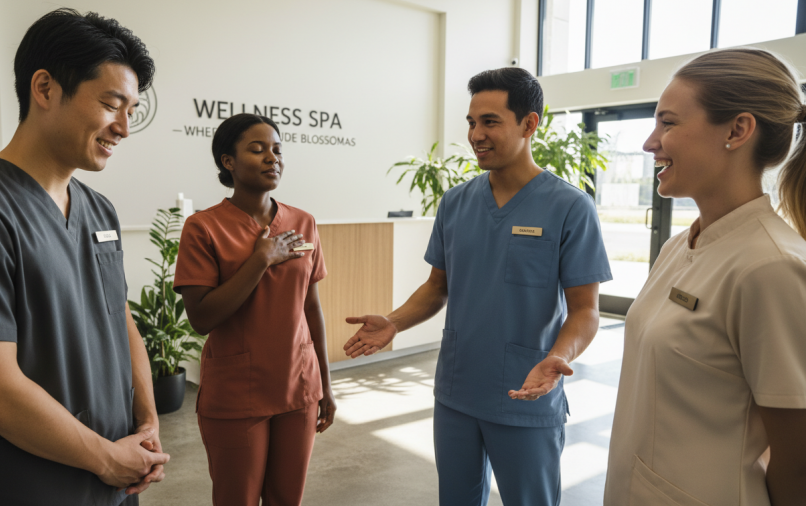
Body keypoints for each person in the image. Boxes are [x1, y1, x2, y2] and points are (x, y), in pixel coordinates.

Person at [0, 9, 168, 506]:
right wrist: (106, 459)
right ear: (44, 89)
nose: (124, 128)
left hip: (116, 471)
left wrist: (147, 422)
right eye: (112, 104)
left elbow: (122, 317)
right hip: (29, 484)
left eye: (132, 110)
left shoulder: (98, 209)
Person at [344, 67, 612, 505]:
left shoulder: (570, 207)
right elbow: (437, 287)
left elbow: (586, 309)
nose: (475, 134)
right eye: (471, 122)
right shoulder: (456, 202)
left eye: (490, 121)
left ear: (529, 124)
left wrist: (558, 357)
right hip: (457, 390)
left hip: (525, 392)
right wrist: (394, 322)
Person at [604, 48, 806, 506]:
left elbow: (797, 461)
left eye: (668, 123)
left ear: (737, 130)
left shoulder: (773, 267)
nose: (649, 142)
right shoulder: (680, 246)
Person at [173, 113, 336, 506]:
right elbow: (202, 318)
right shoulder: (204, 228)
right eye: (258, 148)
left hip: (298, 385)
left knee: (287, 498)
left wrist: (326, 385)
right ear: (228, 161)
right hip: (236, 391)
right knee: (237, 499)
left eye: (278, 149)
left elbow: (310, 307)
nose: (272, 158)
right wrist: (260, 260)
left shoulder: (302, 222)